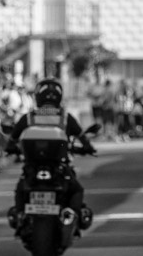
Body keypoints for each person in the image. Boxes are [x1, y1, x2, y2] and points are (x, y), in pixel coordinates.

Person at [5, 77, 95, 232]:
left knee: (21, 187)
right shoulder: (65, 117)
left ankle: (20, 214)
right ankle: (71, 214)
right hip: (59, 168)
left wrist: (12, 148)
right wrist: (87, 148)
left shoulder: (29, 117)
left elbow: (11, 140)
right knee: (76, 189)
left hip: (33, 168)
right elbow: (83, 138)